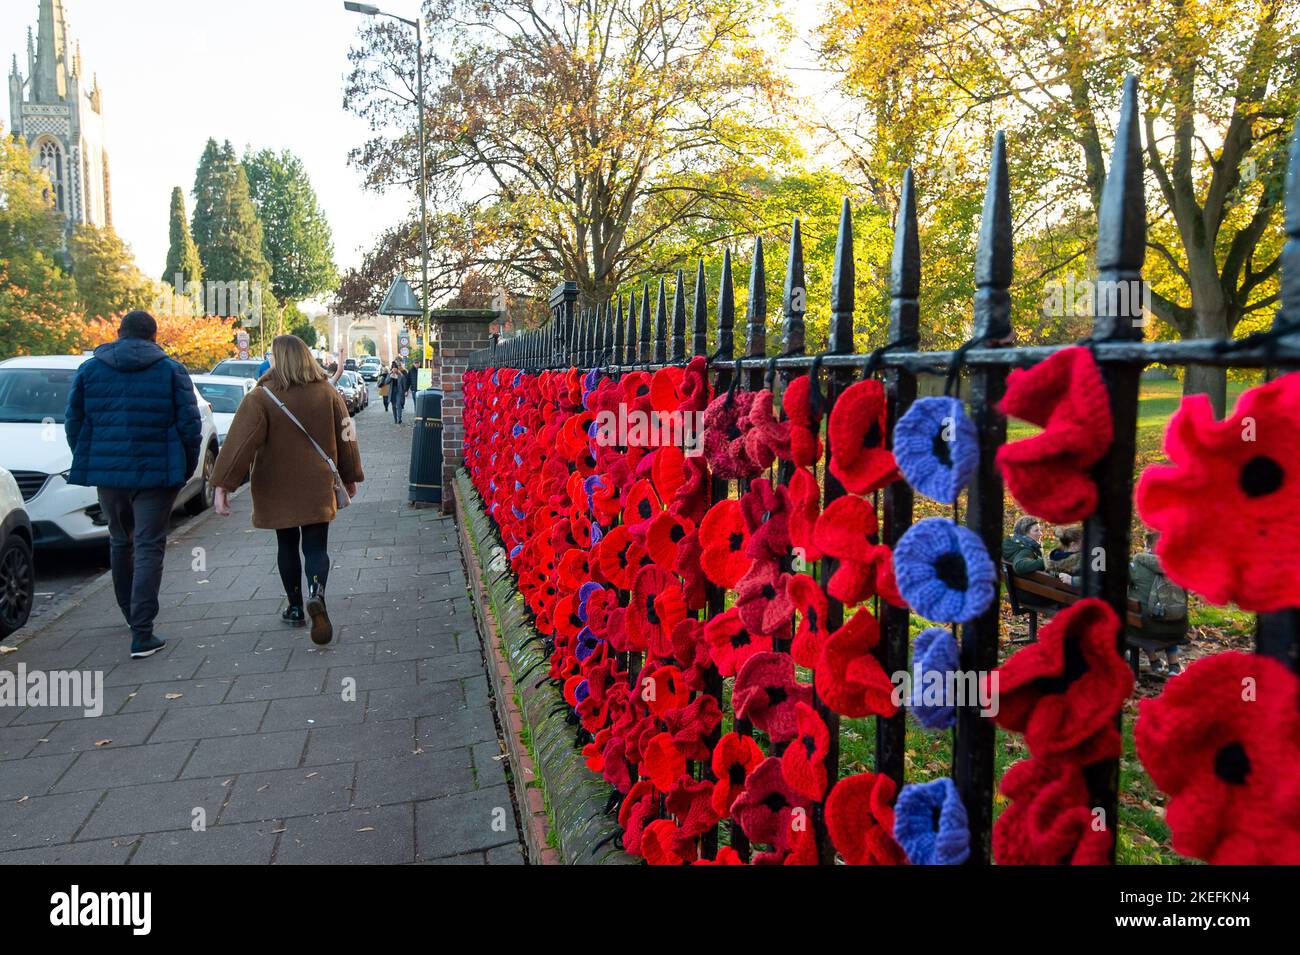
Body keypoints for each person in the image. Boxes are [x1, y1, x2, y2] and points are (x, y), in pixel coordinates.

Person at [64, 310, 202, 659]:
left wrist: (92, 457)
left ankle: (129, 615)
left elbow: (73, 422)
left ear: (119, 333)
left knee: (119, 540)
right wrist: (185, 466)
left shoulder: (90, 370)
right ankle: (142, 632)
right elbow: (190, 426)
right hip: (157, 474)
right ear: (154, 336)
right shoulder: (171, 371)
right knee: (148, 545)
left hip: (109, 476)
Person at [210, 335, 364, 645]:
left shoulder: (261, 396)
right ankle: (316, 592)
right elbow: (347, 434)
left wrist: (222, 485)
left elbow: (240, 443)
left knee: (287, 545)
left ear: (277, 359)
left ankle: (295, 608)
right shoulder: (327, 392)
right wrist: (350, 475)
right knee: (316, 547)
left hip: (276, 485)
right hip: (317, 483)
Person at [1129, 531, 1189, 675]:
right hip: (1179, 628)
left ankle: (1155, 662)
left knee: (1142, 618)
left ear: (1148, 545)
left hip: (1146, 628)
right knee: (1167, 614)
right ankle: (1174, 666)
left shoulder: (1137, 564)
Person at [388, 359, 409, 424]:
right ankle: (395, 419)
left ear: (397, 369)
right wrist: (390, 377)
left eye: (395, 368)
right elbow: (386, 382)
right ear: (392, 369)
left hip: (399, 391)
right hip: (392, 392)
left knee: (399, 404)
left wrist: (405, 391)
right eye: (393, 369)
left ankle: (399, 418)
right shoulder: (390, 375)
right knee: (393, 406)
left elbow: (404, 384)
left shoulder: (401, 375)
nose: (394, 370)